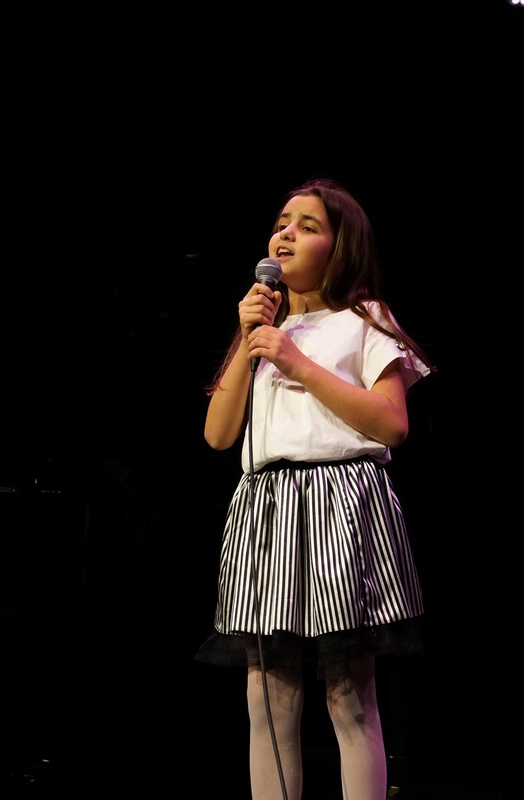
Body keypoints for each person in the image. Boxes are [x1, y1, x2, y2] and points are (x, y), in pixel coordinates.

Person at [195, 177, 437, 800]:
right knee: (266, 693)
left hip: (341, 502)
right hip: (266, 507)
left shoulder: (364, 320)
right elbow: (218, 435)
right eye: (282, 222)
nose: (286, 233)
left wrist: (295, 361)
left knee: (347, 690)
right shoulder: (261, 331)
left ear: (341, 246)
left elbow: (391, 423)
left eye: (307, 226)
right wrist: (250, 340)